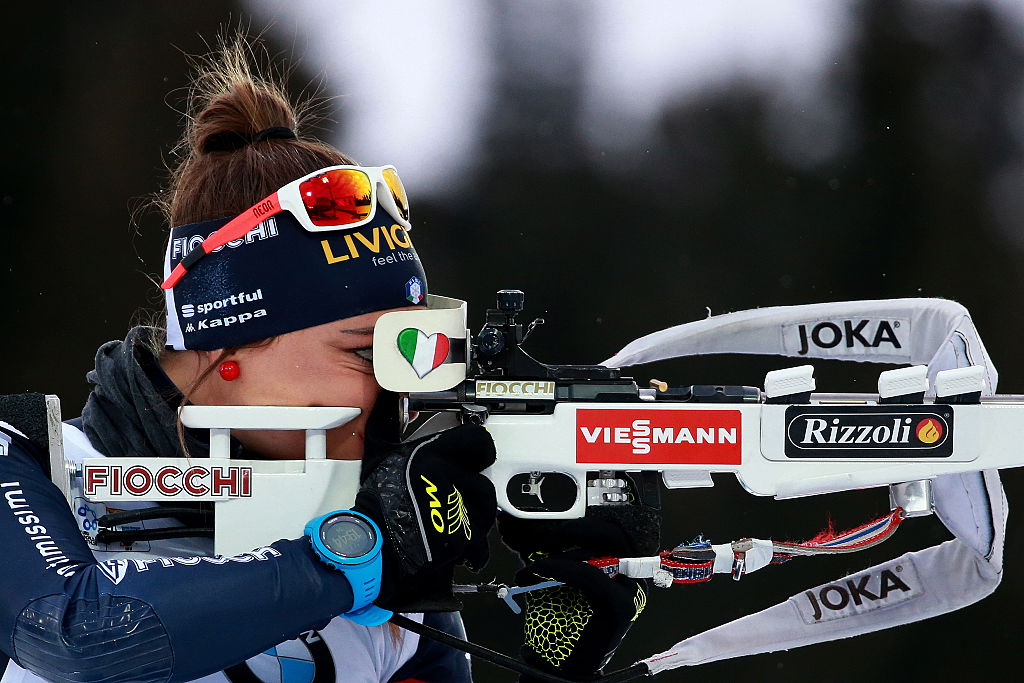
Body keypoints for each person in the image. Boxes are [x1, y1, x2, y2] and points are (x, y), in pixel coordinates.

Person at [0, 38, 498, 683]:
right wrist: (353, 557)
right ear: (222, 340)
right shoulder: (24, 464)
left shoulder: (368, 528)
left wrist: (563, 640)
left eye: (412, 353)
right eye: (363, 351)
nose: (394, 390)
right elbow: (81, 639)